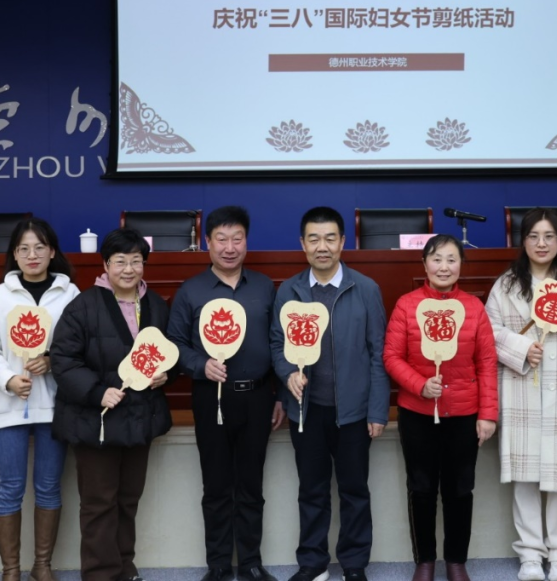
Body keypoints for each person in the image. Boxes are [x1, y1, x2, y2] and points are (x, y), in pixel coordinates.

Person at [270, 206, 390, 581]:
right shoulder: (289, 290)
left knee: (354, 490)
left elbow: (378, 353)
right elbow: (277, 344)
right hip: (306, 410)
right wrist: (288, 373)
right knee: (312, 490)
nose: (322, 247)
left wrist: (377, 410)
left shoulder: (365, 288)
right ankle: (313, 563)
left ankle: (354, 564)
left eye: (329, 238)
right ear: (302, 244)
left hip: (353, 411)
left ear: (342, 242)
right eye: (314, 239)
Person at [167, 206, 286, 581]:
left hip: (258, 397)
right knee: (216, 484)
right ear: (208, 242)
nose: (230, 247)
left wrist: (280, 395)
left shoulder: (265, 287)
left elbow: (278, 342)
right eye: (222, 239)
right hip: (210, 397)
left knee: (251, 484)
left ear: (247, 242)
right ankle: (218, 564)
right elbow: (175, 343)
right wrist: (200, 364)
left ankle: (250, 562)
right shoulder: (191, 290)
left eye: (237, 239)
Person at [485, 207, 557, 581]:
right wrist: (521, 349)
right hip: (521, 388)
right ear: (523, 242)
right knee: (525, 477)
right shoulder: (505, 285)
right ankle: (531, 555)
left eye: (549, 236)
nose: (541, 243)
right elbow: (488, 333)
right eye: (534, 236)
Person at [51, 228, 173, 581]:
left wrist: (167, 373)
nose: (129, 269)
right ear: (105, 265)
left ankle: (124, 568)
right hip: (97, 419)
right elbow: (63, 360)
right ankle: (100, 574)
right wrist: (96, 391)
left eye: (136, 261)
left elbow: (171, 351)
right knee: (99, 503)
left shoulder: (156, 305)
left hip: (139, 417)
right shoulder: (83, 306)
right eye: (120, 261)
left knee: (128, 499)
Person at [383, 234, 498, 581]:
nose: (444, 267)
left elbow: (487, 363)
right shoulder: (407, 305)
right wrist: (419, 384)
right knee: (421, 488)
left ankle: (456, 561)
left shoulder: (474, 308)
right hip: (417, 414)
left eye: (451, 259)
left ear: (461, 264)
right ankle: (425, 561)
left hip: (463, 415)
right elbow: (391, 357)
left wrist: (488, 414)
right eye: (436, 259)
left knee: (460, 489)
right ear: (424, 264)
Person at [0, 218, 79, 581]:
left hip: (54, 405)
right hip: (8, 406)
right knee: (10, 487)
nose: (32, 255)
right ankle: (10, 570)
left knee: (48, 486)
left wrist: (51, 360)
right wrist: (8, 380)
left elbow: (78, 346)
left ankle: (42, 566)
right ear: (14, 254)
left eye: (39, 247)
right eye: (24, 249)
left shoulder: (70, 294)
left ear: (52, 252)